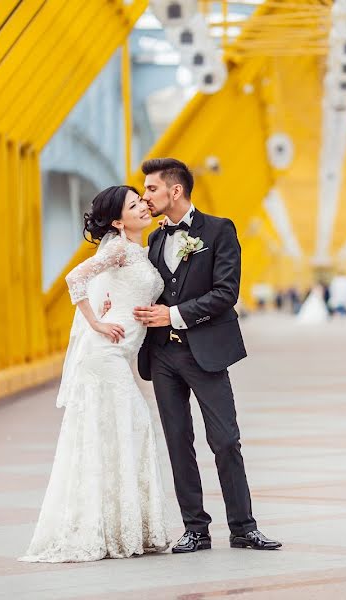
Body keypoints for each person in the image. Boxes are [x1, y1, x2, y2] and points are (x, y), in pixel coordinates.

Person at [133, 158, 281, 553]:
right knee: (178, 442)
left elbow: (226, 293)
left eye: (150, 189)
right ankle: (195, 529)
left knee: (225, 439)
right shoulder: (154, 240)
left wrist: (175, 315)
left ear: (174, 191)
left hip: (206, 352)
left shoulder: (218, 230)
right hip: (162, 355)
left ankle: (243, 527)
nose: (145, 196)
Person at [20, 186, 170, 563]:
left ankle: (121, 526)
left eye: (141, 201)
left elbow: (117, 289)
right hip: (104, 353)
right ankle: (110, 529)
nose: (142, 207)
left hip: (119, 354)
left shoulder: (138, 250)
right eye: (133, 205)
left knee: (120, 432)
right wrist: (96, 323)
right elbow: (75, 278)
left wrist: (108, 304)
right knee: (129, 427)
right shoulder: (118, 247)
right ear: (118, 221)